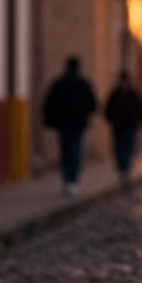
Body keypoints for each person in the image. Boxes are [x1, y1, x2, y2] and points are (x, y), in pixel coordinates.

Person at [42, 56, 97, 196]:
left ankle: (67, 179)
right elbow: (92, 103)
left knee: (65, 150)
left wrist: (51, 120)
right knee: (75, 150)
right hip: (78, 123)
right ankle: (73, 180)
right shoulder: (83, 83)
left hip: (63, 124)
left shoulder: (59, 83)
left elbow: (49, 103)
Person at [104, 71, 142, 186]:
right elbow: (108, 109)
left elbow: (139, 109)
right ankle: (121, 167)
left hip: (129, 126)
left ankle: (126, 168)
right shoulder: (115, 94)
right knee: (118, 148)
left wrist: (140, 120)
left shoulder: (132, 94)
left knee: (128, 147)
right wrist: (112, 119)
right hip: (118, 126)